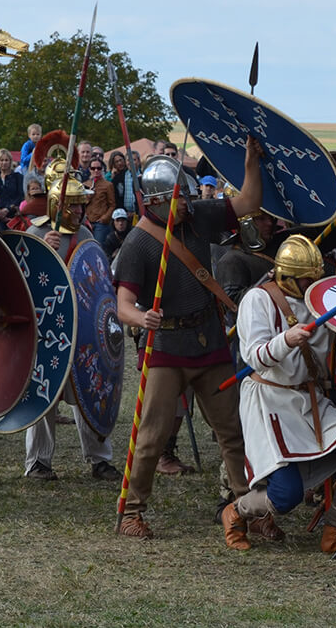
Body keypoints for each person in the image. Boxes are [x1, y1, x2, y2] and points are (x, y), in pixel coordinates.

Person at [114, 139, 264, 539]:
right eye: (179, 198)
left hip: (209, 341)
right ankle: (131, 511)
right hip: (165, 348)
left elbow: (248, 202)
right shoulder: (139, 242)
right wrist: (142, 317)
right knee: (151, 436)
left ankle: (246, 508)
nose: (187, 203)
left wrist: (250, 163)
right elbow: (122, 304)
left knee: (232, 432)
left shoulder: (198, 216)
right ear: (159, 201)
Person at [223, 236, 336, 555]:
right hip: (269, 400)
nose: (313, 283)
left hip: (309, 399)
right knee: (286, 495)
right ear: (287, 276)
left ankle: (335, 531)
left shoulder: (321, 301)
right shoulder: (257, 300)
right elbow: (254, 357)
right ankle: (237, 512)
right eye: (308, 278)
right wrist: (287, 340)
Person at [23, 174, 121, 482]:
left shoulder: (87, 238)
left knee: (88, 391)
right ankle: (38, 462)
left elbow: (96, 282)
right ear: (56, 205)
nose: (79, 211)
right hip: (48, 330)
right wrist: (42, 249)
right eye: (73, 205)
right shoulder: (37, 232)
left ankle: (100, 459)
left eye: (82, 205)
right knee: (45, 394)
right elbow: (24, 282)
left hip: (82, 331)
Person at [85, 156, 116, 248]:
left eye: (98, 168)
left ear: (102, 169)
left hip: (100, 223)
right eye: (93, 168)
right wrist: (88, 197)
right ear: (89, 169)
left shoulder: (108, 185)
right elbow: (82, 204)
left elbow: (112, 204)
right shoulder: (85, 184)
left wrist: (105, 218)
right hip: (88, 222)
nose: (96, 170)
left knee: (98, 247)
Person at [0, 149, 24, 226]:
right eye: (1, 160)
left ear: (10, 161)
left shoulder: (18, 177)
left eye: (6, 160)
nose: (4, 163)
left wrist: (8, 209)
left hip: (13, 215)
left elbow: (21, 196)